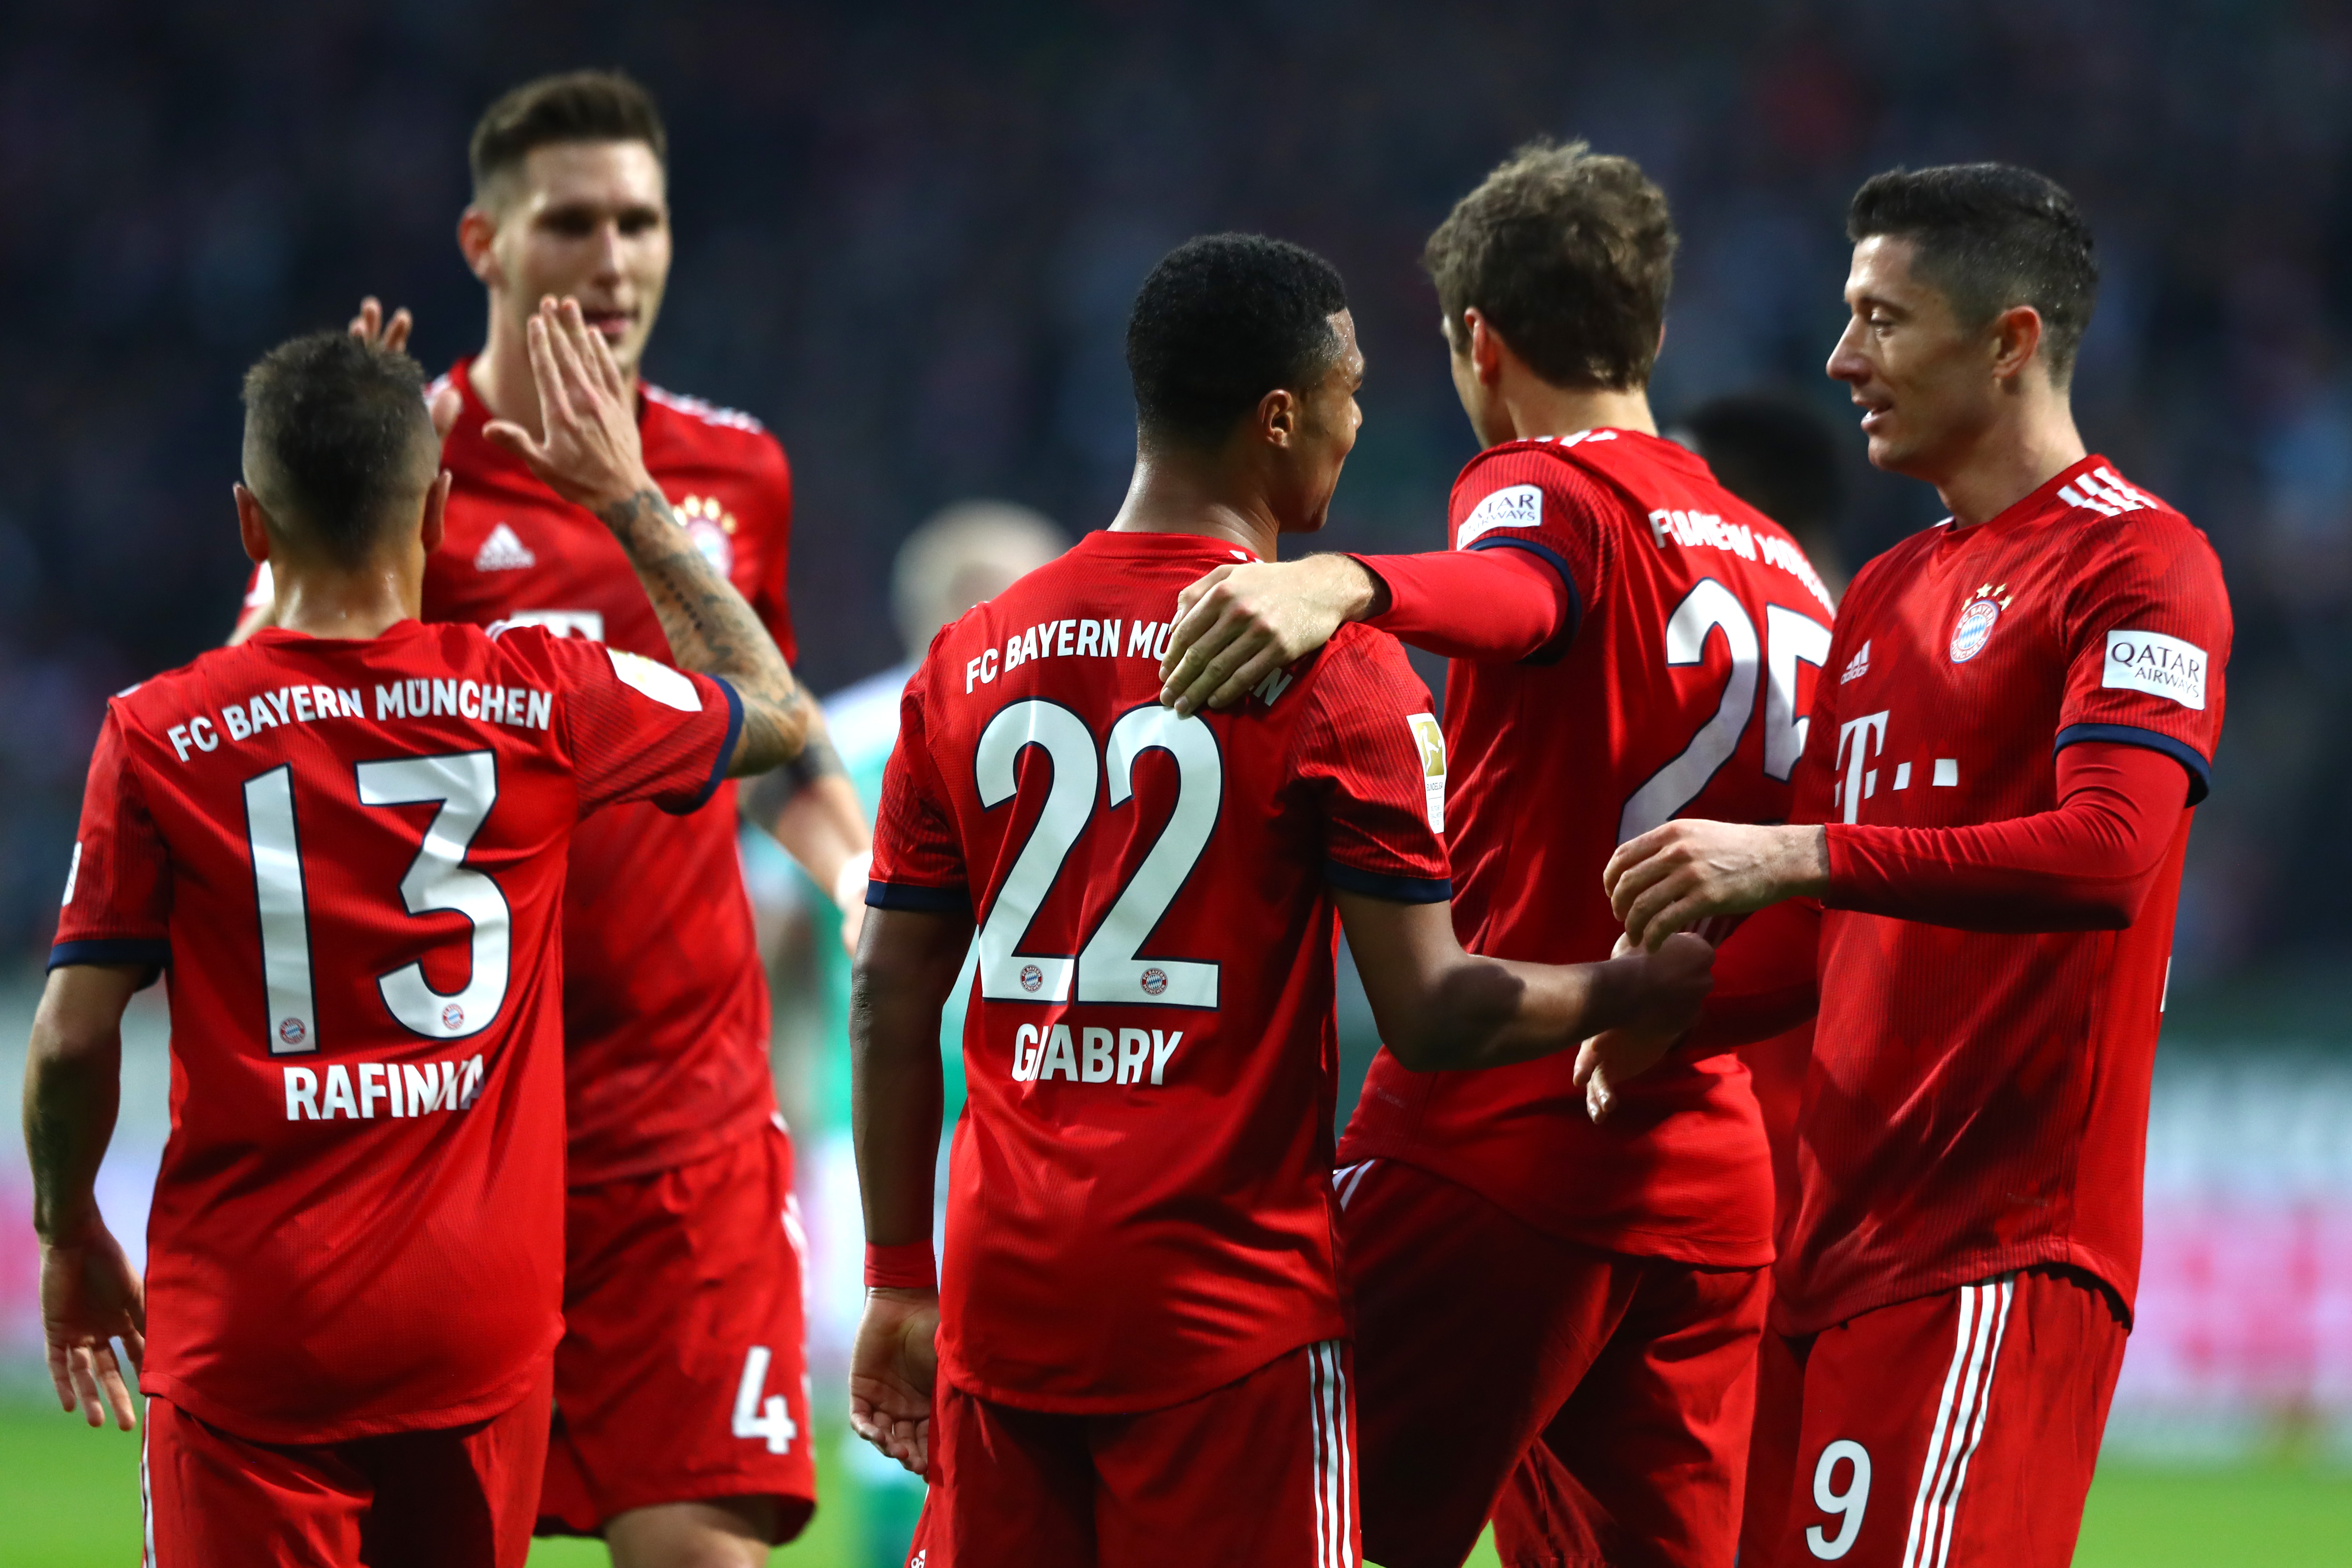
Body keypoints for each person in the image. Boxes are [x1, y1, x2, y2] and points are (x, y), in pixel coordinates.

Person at [843, 233, 1715, 1568]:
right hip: (1223, 1310)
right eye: (1349, 392)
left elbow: (889, 989)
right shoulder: (1341, 678)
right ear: (1279, 416)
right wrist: (1638, 986)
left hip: (1007, 1294)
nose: (1360, 426)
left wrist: (900, 1277)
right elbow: (1435, 1010)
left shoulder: (970, 657)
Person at [28, 307, 811, 1567]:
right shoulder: (543, 694)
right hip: (473, 1336)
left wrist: (69, 1232)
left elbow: (72, 1041)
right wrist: (630, 500)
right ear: (440, 512)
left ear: (248, 524)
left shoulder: (159, 735)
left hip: (253, 1334)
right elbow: (773, 710)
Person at [1154, 145, 1835, 1568]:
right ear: (1652, 331)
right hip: (1707, 1188)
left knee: (1269, 1521)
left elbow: (1525, 595)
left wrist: (1350, 582)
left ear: (1482, 342)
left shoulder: (1541, 483)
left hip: (1500, 1137)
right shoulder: (1785, 566)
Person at [231, 72, 863, 1562]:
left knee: (702, 1548)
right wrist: (329, 508)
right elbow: (261, 727)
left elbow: (772, 732)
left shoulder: (735, 471)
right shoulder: (402, 478)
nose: (614, 259)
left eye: (641, 222)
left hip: (686, 1126)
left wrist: (858, 887)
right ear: (485, 244)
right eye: (572, 223)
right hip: (453, 1142)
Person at [1600, 164, 2233, 1568]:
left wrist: (1800, 851)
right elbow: (1813, 944)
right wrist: (1629, 1020)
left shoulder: (2141, 565)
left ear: (2010, 340)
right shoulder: (1886, 593)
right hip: (1833, 1260)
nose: (1843, 359)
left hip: (1995, 1249)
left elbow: (2110, 854)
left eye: (1882, 320)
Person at [785, 500, 1065, 1568]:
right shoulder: (1055, 731)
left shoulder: (838, 746)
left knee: (908, 1410)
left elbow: (773, 942)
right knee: (927, 1404)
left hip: (889, 1120)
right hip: (980, 1114)